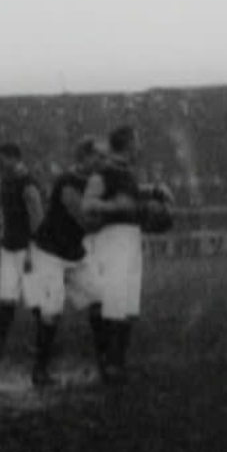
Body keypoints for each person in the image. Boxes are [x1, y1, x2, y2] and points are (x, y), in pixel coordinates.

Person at [27, 137, 107, 387]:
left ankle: (106, 364)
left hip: (74, 252)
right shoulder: (67, 182)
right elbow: (85, 220)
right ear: (84, 157)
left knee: (99, 301)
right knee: (52, 310)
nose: (102, 161)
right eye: (98, 156)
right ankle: (39, 370)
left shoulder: (96, 181)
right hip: (50, 253)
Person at [82, 125, 148, 382]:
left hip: (130, 239)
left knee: (128, 303)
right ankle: (109, 362)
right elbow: (87, 204)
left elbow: (130, 198)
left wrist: (151, 193)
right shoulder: (103, 173)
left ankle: (117, 362)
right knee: (114, 302)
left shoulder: (126, 173)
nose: (139, 146)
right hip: (112, 240)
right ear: (128, 143)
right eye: (137, 141)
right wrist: (113, 206)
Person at [0, 142, 45, 358]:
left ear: (13, 158)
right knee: (5, 297)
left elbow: (37, 219)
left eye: (2, 158)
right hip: (9, 248)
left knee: (35, 298)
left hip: (26, 249)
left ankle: (44, 345)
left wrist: (33, 250)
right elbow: (6, 215)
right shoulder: (6, 182)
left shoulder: (28, 183)